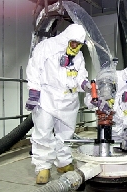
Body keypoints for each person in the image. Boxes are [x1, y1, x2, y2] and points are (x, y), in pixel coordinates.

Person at [25, 23, 92, 184]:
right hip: (48, 97)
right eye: (73, 43)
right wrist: (34, 92)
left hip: (69, 100)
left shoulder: (78, 56)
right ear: (66, 39)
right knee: (43, 133)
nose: (76, 48)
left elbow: (80, 74)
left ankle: (63, 163)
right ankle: (43, 167)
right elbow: (34, 69)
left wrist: (85, 84)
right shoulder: (46, 47)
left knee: (66, 134)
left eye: (79, 45)